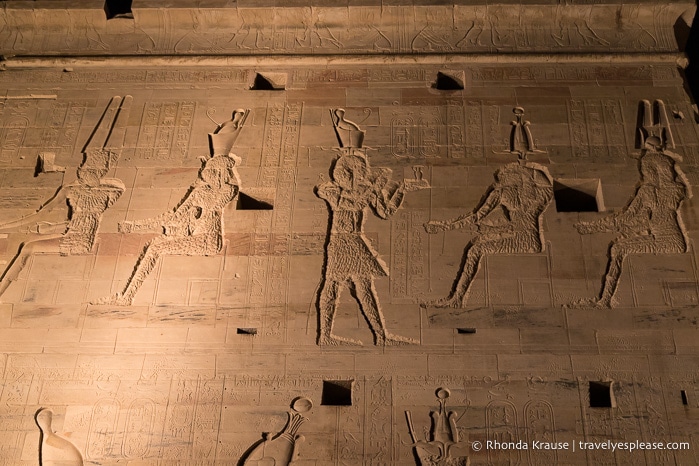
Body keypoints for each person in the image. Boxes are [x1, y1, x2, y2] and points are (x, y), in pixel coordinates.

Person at [97, 153, 241, 306]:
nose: (227, 175)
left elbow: (212, 209)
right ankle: (126, 295)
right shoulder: (200, 192)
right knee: (155, 246)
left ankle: (127, 297)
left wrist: (192, 217)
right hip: (193, 236)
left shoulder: (228, 189)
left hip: (208, 240)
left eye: (224, 172)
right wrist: (136, 226)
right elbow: (174, 214)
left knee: (155, 249)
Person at [317, 153, 418, 345]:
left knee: (365, 288)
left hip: (356, 242)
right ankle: (325, 335)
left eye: (363, 174)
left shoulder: (366, 189)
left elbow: (385, 212)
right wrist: (373, 188)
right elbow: (350, 204)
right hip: (341, 242)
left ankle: (380, 336)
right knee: (332, 286)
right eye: (358, 173)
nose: (361, 177)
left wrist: (401, 190)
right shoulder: (332, 190)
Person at [424, 162, 553, 308]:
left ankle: (458, 298)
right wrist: (523, 169)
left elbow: (476, 216)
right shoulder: (539, 195)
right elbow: (546, 183)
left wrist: (445, 226)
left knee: (475, 250)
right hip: (530, 238)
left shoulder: (501, 193)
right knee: (479, 237)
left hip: (521, 240)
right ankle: (457, 298)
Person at [575, 149, 691, 307]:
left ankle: (605, 300)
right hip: (674, 239)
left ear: (650, 170)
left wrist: (594, 227)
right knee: (619, 246)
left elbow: (627, 218)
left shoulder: (648, 191)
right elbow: (646, 221)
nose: (642, 174)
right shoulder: (676, 190)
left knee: (618, 248)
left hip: (664, 241)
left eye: (643, 170)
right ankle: (604, 300)